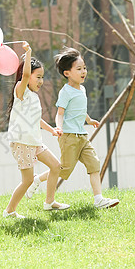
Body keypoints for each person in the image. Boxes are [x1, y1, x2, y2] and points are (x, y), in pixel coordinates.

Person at [46, 46, 120, 209]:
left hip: (82, 135)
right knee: (64, 170)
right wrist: (58, 128)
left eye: (84, 68)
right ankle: (38, 179)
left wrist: (89, 119)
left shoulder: (83, 89)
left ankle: (99, 199)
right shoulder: (66, 92)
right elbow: (60, 113)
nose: (83, 71)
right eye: (79, 69)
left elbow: (79, 110)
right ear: (67, 73)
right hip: (69, 136)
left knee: (94, 163)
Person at [4, 42, 70, 218]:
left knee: (56, 166)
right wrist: (29, 52)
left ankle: (49, 202)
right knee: (27, 180)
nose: (41, 81)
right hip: (21, 142)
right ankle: (9, 211)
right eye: (38, 77)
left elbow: (36, 120)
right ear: (28, 77)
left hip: (34, 141)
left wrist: (52, 130)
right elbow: (25, 74)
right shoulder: (21, 90)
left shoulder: (33, 96)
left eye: (42, 77)